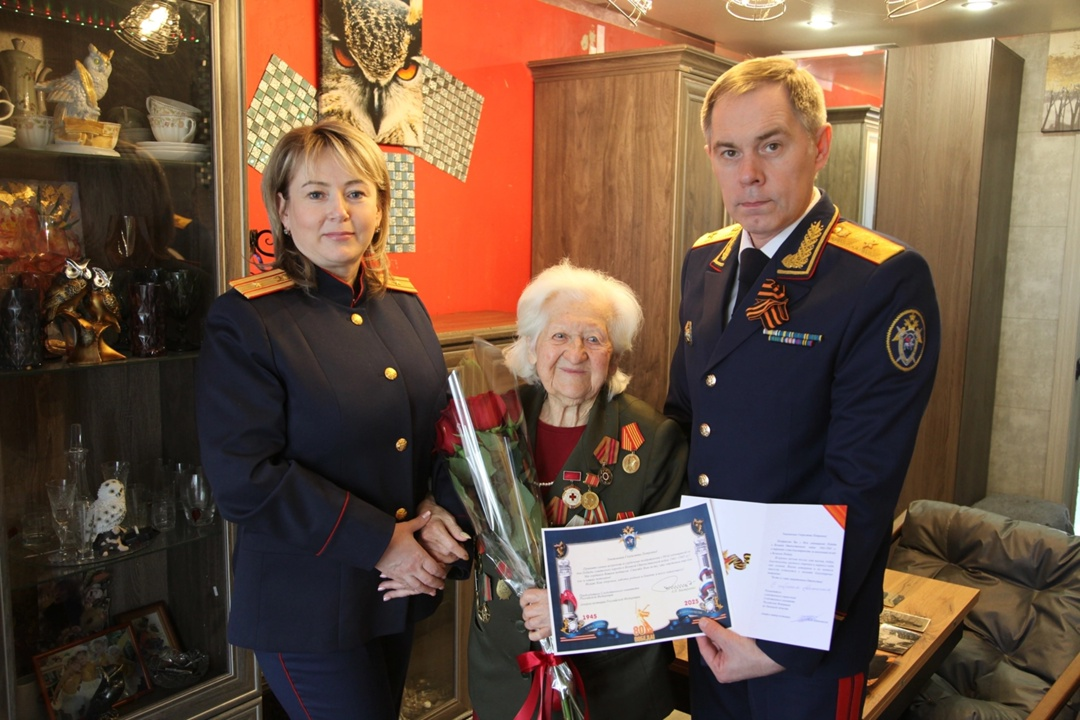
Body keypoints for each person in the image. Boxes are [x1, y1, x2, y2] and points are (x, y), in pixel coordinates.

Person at [665, 56, 940, 719]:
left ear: (819, 147)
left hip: (804, 638)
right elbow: (684, 421)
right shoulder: (706, 261)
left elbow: (862, 481)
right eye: (729, 152)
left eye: (771, 146)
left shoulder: (879, 279)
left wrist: (780, 639)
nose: (748, 174)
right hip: (712, 606)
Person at [195, 120, 453, 719]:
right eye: (316, 193)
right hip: (305, 607)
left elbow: (443, 432)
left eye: (357, 192)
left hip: (394, 591)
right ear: (284, 210)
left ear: (379, 208)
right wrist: (382, 541)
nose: (339, 211)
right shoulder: (246, 320)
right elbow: (245, 479)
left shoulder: (404, 306)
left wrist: (440, 510)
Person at [469, 260, 688, 719]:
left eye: (593, 338)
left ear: (615, 356)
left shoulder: (652, 439)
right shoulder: (497, 423)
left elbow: (674, 573)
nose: (576, 352)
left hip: (610, 685)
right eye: (559, 335)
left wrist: (576, 608)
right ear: (532, 347)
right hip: (504, 675)